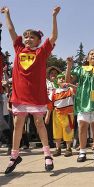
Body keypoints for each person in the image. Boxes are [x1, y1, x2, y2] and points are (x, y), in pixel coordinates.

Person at [1, 6, 60, 174]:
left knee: (39, 123)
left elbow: (54, 36)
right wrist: (7, 14)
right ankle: (14, 156)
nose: (27, 39)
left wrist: (54, 16)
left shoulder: (42, 52)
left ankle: (47, 154)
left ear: (38, 40)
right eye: (25, 36)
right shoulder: (18, 49)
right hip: (20, 96)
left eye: (31, 37)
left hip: (36, 96)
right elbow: (11, 29)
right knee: (18, 125)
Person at [65, 50, 94, 162]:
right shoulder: (81, 69)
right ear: (87, 58)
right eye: (92, 54)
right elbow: (67, 81)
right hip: (82, 103)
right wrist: (69, 66)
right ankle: (82, 152)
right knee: (82, 127)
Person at [46, 66, 76, 157]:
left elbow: (77, 89)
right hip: (56, 113)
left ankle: (68, 148)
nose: (62, 79)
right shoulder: (54, 92)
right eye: (59, 79)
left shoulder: (69, 90)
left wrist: (70, 84)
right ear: (56, 81)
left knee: (68, 131)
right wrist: (48, 116)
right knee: (57, 131)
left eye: (63, 78)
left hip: (68, 113)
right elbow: (50, 105)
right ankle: (58, 148)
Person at [45, 66, 62, 148]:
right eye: (52, 73)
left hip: (58, 106)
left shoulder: (60, 83)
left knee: (58, 125)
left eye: (55, 73)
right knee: (48, 124)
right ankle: (50, 141)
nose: (53, 75)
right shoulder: (46, 83)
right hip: (47, 106)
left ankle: (60, 141)